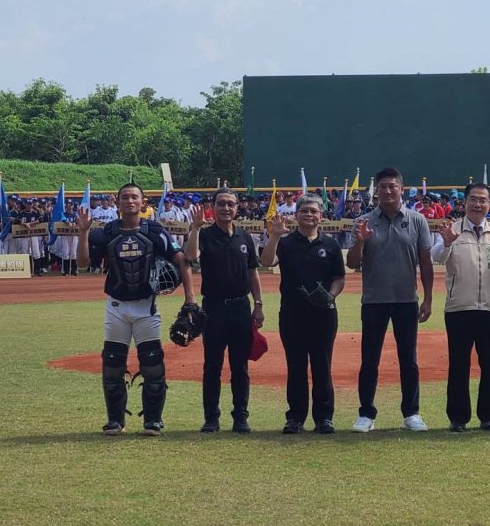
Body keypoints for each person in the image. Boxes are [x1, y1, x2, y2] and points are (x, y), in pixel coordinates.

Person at [78, 183, 196, 436]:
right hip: (117, 307)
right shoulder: (106, 232)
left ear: (143, 203)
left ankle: (152, 420)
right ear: (118, 202)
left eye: (134, 197)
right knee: (112, 364)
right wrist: (83, 233)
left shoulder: (155, 231)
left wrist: (190, 299)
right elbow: (83, 263)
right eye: (125, 197)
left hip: (146, 307)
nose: (130, 201)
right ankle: (115, 421)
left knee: (153, 364)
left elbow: (182, 261)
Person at [347, 166, 434, 433]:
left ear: (401, 189)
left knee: (408, 359)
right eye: (383, 186)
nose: (387, 190)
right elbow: (352, 263)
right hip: (374, 301)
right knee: (369, 360)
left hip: (406, 300)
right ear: (377, 191)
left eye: (392, 186)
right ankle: (366, 414)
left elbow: (426, 262)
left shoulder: (417, 220)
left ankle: (411, 413)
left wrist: (428, 298)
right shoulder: (364, 221)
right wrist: (360, 242)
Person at [431, 183, 490, 432]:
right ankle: (458, 417)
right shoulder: (452, 230)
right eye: (473, 200)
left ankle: (489, 416)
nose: (477, 204)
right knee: (459, 362)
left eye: (482, 200)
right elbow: (437, 257)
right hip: (459, 307)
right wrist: (446, 243)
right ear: (464, 203)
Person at [260, 194, 346, 434]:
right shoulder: (286, 243)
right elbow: (266, 261)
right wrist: (275, 235)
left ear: (321, 216)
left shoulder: (330, 245)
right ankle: (295, 417)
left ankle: (324, 417)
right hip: (292, 314)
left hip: (323, 315)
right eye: (304, 211)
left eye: (314, 211)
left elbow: (339, 278)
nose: (309, 215)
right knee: (296, 366)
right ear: (296, 215)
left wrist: (330, 296)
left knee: (322, 365)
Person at [184, 187, 265, 434]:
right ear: (214, 207)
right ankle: (211, 417)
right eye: (221, 204)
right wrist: (196, 228)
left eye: (231, 204)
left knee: (240, 366)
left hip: (241, 307)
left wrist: (258, 304)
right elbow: (190, 256)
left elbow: (253, 272)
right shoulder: (205, 235)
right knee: (212, 365)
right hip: (214, 308)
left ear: (237, 207)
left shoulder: (244, 237)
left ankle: (240, 417)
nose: (226, 208)